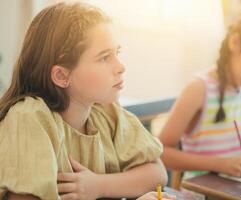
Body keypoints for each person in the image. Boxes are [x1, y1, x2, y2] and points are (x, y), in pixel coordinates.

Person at [0, 2, 175, 200]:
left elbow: (157, 173)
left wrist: (98, 186)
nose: (121, 66)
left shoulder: (106, 112)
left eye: (117, 53)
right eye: (104, 58)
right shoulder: (28, 119)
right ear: (61, 75)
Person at [159, 8, 241, 181]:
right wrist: (219, 164)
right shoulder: (199, 89)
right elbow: (161, 152)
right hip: (204, 191)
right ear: (235, 42)